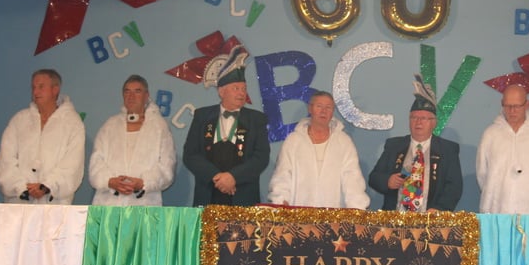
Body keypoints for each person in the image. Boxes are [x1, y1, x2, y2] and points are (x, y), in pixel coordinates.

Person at [183, 46, 269, 206]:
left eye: (244, 89)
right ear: (221, 92)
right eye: (236, 88)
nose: (242, 93)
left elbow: (261, 157)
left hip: (243, 196)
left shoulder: (256, 119)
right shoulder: (202, 116)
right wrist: (216, 177)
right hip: (208, 194)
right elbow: (190, 154)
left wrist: (232, 177)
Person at [369, 75, 462, 212]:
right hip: (395, 217)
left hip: (429, 218)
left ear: (434, 123)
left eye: (423, 118)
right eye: (414, 117)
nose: (418, 122)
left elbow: (454, 187)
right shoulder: (394, 146)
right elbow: (374, 178)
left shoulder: (447, 150)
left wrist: (439, 209)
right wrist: (387, 181)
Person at [0, 69, 85, 204]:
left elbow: (72, 164)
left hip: (54, 205)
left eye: (41, 87)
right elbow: (6, 160)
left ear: (55, 90)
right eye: (33, 87)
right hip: (19, 203)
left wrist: (47, 186)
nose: (36, 92)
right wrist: (21, 187)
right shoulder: (19, 120)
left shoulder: (72, 123)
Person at [267, 91, 370, 209]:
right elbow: (283, 175)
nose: (323, 111)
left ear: (332, 111)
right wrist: (280, 201)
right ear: (310, 109)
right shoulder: (293, 141)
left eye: (328, 107)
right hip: (299, 213)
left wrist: (357, 208)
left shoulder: (344, 142)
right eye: (319, 106)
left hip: (334, 214)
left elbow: (352, 178)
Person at [88, 74, 177, 206]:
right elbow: (96, 163)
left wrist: (142, 183)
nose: (131, 96)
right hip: (108, 204)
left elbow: (166, 167)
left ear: (146, 96)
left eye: (137, 91)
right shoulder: (109, 126)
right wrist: (110, 181)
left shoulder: (159, 127)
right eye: (127, 91)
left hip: (144, 204)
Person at [476, 84, 529, 215]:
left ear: (527, 105)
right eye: (507, 106)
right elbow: (482, 174)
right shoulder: (490, 134)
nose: (512, 111)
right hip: (496, 210)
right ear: (502, 104)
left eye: (517, 106)